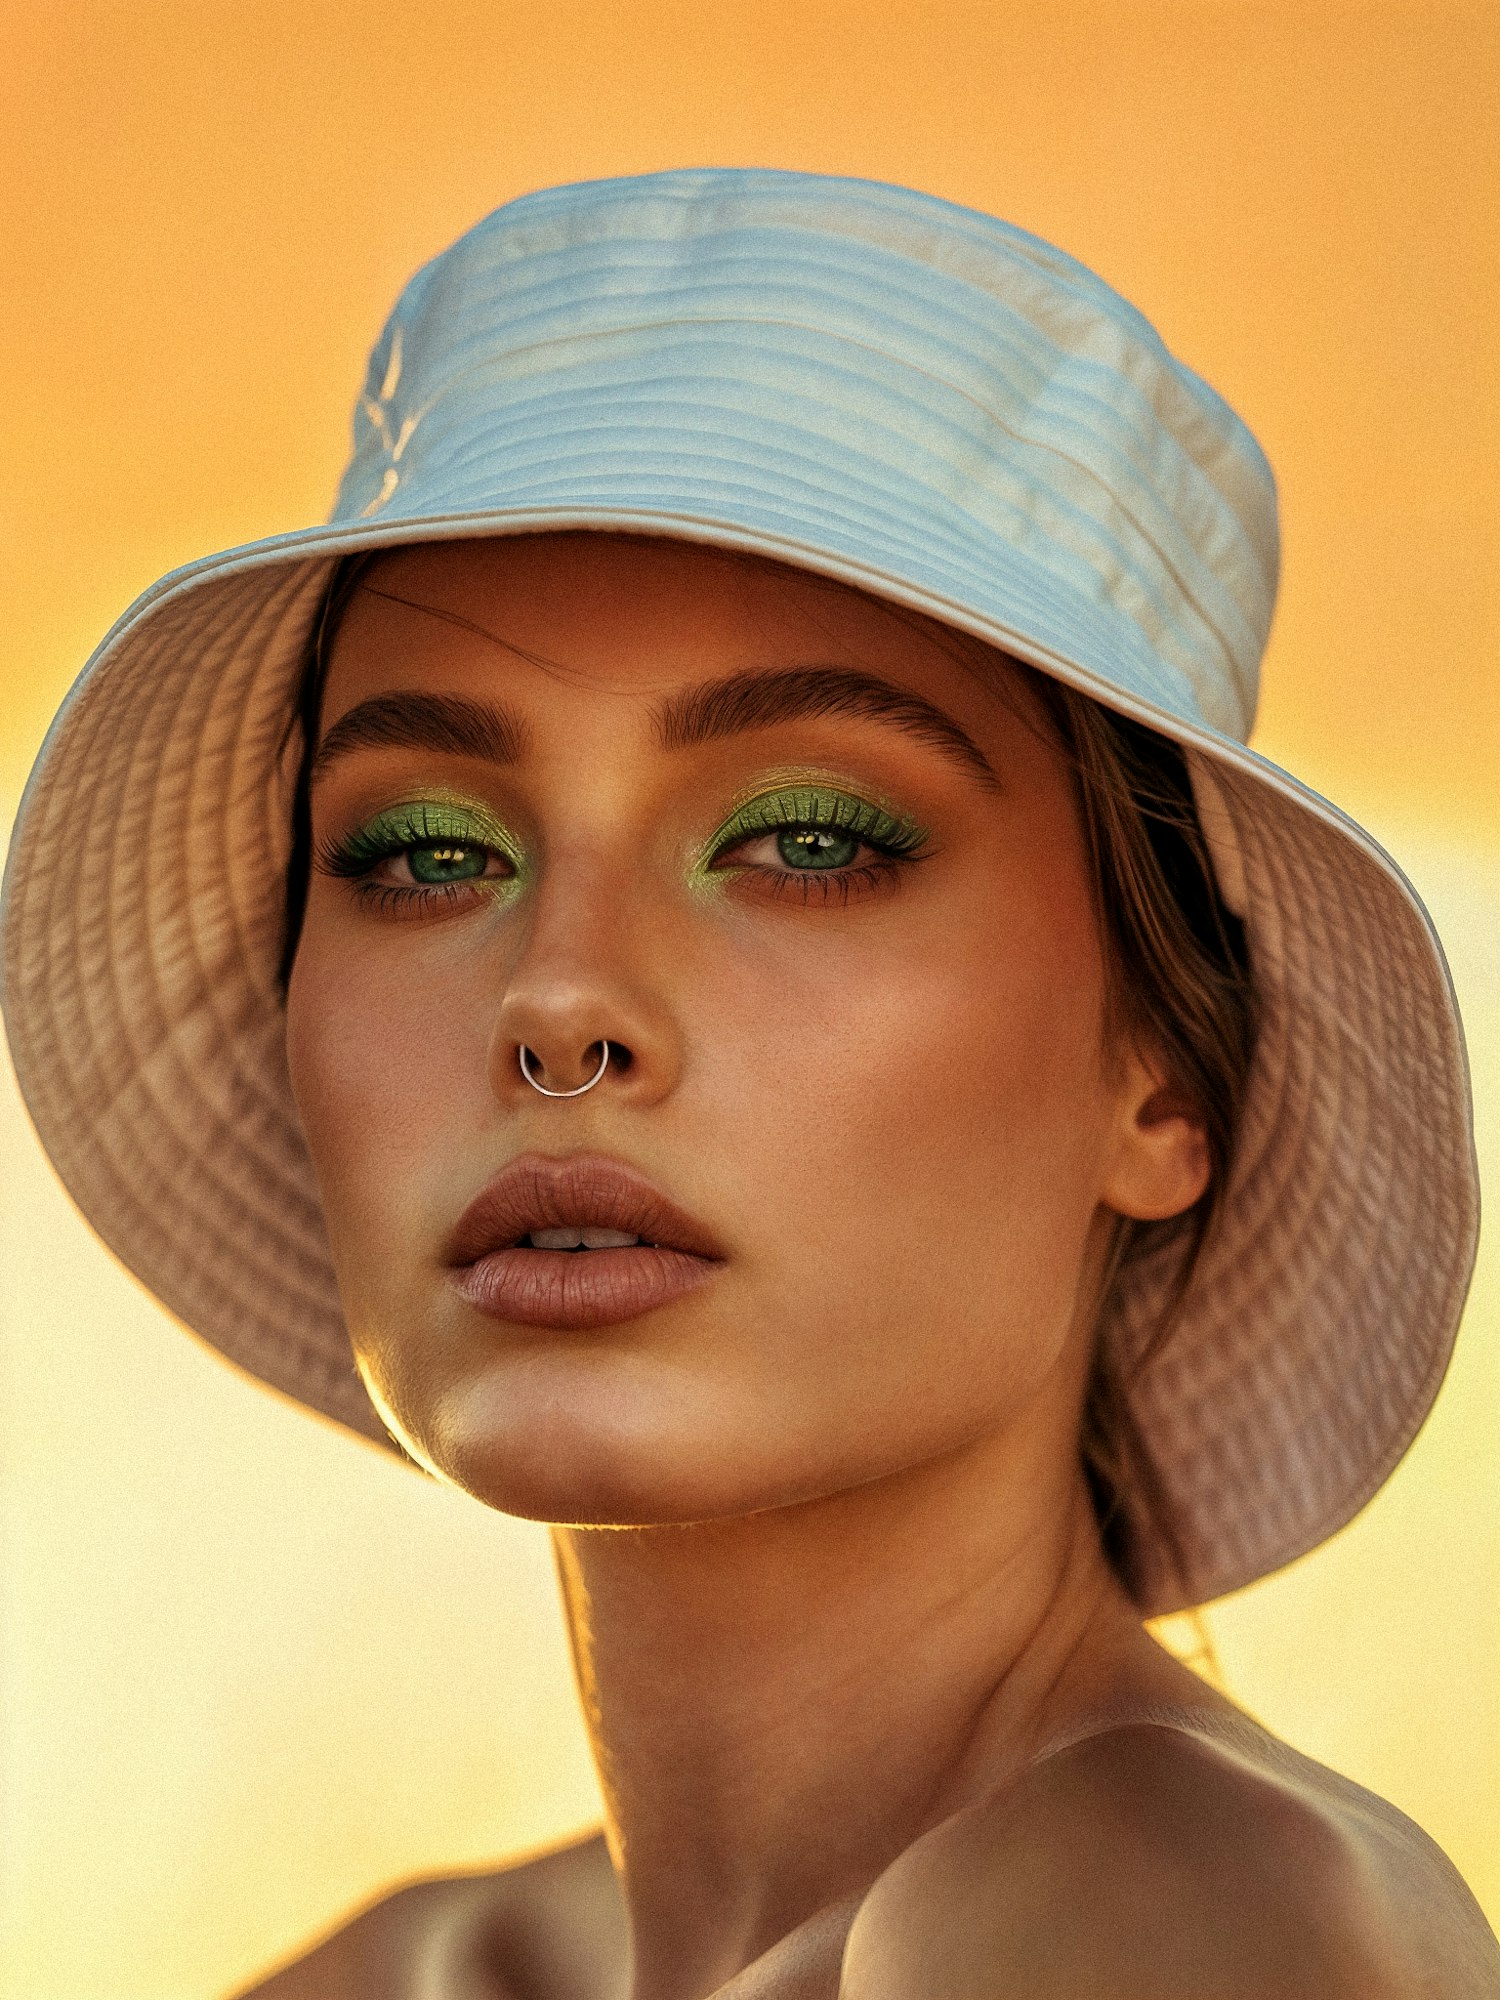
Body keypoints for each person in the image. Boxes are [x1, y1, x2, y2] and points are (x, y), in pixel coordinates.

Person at [2, 169, 1494, 2000]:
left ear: (1162, 1080)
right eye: (423, 853)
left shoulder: (1171, 1912)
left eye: (805, 837)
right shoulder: (395, 1974)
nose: (558, 1003)